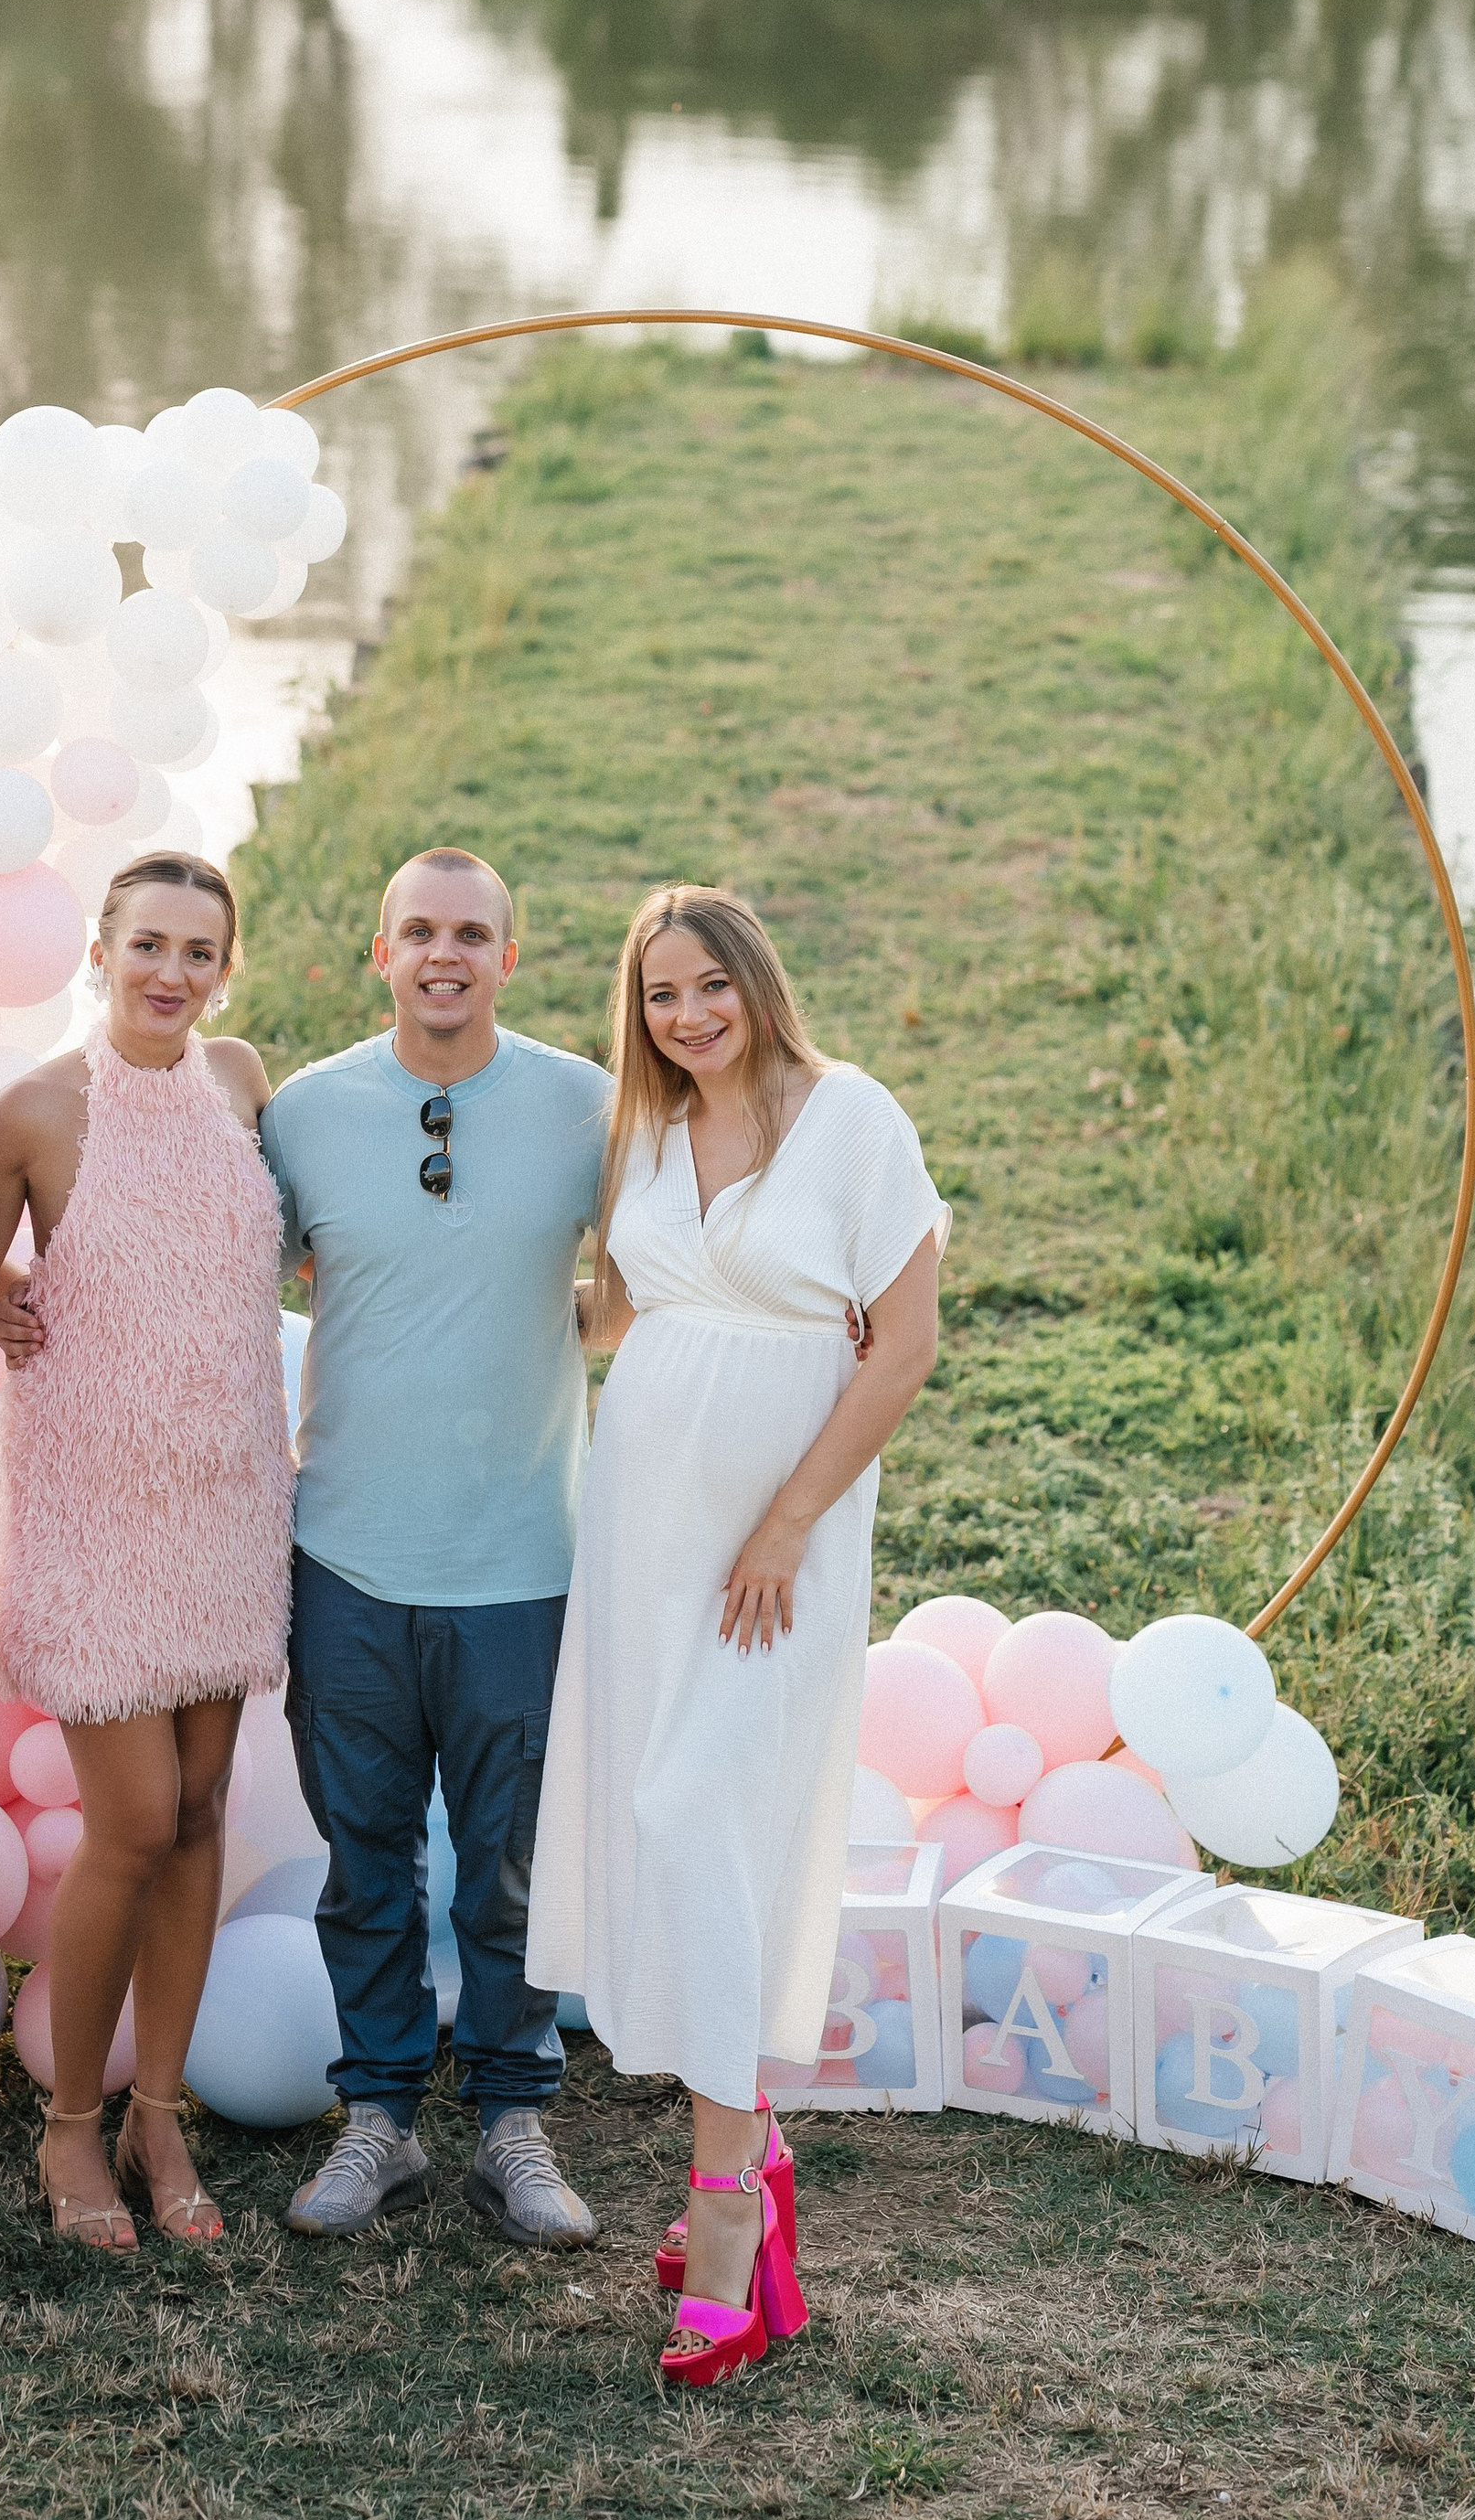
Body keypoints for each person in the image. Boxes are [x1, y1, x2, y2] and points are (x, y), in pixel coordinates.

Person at [528, 884, 946, 2388]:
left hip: (776, 1545)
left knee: (700, 1819)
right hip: (642, 1529)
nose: (689, 1015)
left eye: (710, 985)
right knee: (655, 1824)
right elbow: (619, 1313)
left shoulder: (853, 1120)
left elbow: (904, 1347)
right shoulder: (642, 1133)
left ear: (757, 983)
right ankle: (749, 2148)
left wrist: (787, 1522)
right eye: (660, 995)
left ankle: (725, 2206)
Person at [261, 849, 613, 2245]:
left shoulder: (586, 1106)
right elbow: (226, 1281)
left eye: (472, 932)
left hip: (523, 1556)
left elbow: (665, 1265)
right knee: (366, 1859)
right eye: (419, 931)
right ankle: (383, 2118)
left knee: (513, 1862)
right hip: (347, 1551)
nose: (444, 954)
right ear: (382, 952)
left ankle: (514, 2121)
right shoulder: (307, 1113)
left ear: (508, 958)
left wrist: (567, 1328)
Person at [0, 853, 290, 2255]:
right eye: (148, 944)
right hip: (94, 1513)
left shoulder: (242, 1082)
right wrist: (6, 1307)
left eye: (198, 952)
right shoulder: (32, 1111)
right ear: (101, 951)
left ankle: (162, 2115)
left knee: (203, 1810)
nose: (172, 973)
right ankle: (70, 2126)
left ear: (225, 970)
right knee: (137, 1823)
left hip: (226, 1501)